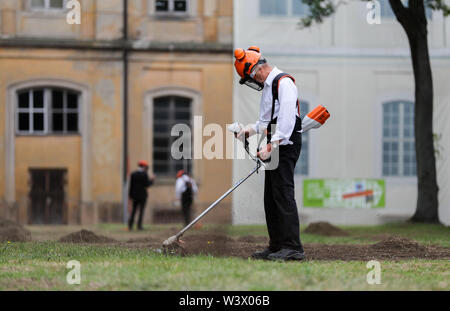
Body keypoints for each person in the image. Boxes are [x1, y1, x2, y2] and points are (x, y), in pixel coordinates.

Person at [234, 46, 305, 261]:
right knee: (271, 197)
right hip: (275, 141)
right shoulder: (267, 87)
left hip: (287, 142)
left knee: (283, 193)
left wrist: (271, 146)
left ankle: (292, 247)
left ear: (256, 70)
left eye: (250, 77)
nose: (252, 81)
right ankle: (276, 245)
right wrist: (250, 129)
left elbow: (286, 119)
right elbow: (266, 121)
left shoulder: (284, 83)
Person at [128, 160, 155, 230]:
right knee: (141, 211)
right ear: (144, 167)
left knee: (133, 210)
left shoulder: (133, 174)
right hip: (142, 196)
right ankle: (139, 226)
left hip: (134, 196)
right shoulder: (144, 174)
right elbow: (147, 184)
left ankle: (130, 225)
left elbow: (131, 186)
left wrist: (130, 196)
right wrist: (152, 180)